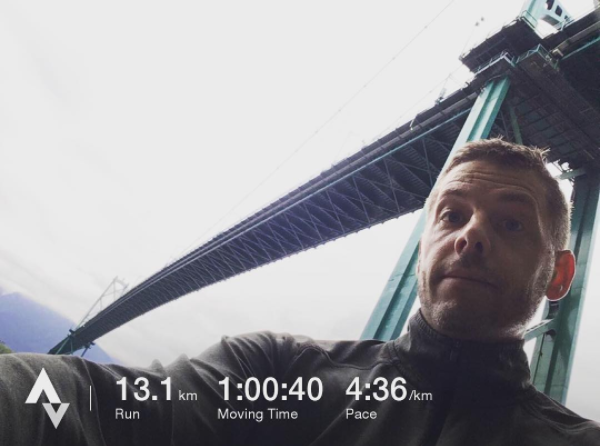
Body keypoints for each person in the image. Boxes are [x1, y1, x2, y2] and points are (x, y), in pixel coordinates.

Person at [1, 139, 599, 445]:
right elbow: (107, 406)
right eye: (452, 214)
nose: (470, 236)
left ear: (560, 275)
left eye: (511, 222)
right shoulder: (277, 370)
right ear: (424, 245)